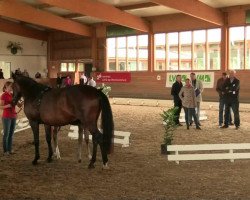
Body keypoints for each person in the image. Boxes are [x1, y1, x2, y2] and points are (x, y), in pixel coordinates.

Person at [0, 81, 17, 155]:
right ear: (6, 87)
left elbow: (15, 104)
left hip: (13, 116)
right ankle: (5, 151)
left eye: (12, 86)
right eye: (10, 86)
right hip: (6, 117)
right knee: (6, 134)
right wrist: (8, 106)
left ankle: (10, 149)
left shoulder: (12, 94)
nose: (11, 88)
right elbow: (0, 106)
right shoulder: (3, 95)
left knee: (11, 134)